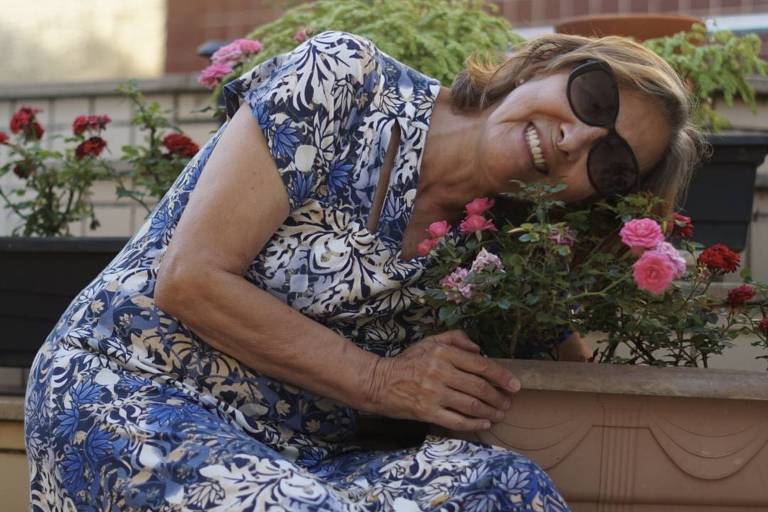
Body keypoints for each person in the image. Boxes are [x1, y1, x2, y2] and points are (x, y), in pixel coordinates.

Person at [24, 30, 700, 511]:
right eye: (594, 101)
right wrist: (381, 380)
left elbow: (570, 384)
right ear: (548, 64)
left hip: (302, 456)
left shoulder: (507, 252)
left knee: (503, 490)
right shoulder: (347, 82)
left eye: (609, 163)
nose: (577, 137)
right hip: (129, 392)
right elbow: (190, 278)